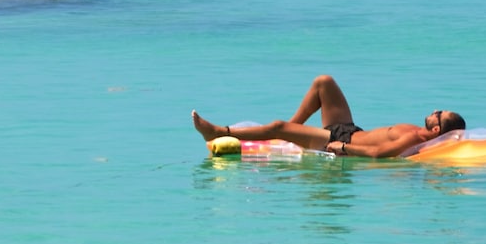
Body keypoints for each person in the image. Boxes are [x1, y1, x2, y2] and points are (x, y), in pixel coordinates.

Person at [192, 74, 466, 158]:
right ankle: (291, 131)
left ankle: (217, 131)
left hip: (339, 140)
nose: (434, 111)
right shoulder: (417, 130)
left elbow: (380, 153)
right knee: (324, 82)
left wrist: (344, 147)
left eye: (439, 115)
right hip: (349, 129)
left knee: (277, 126)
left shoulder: (413, 137)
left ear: (435, 131)